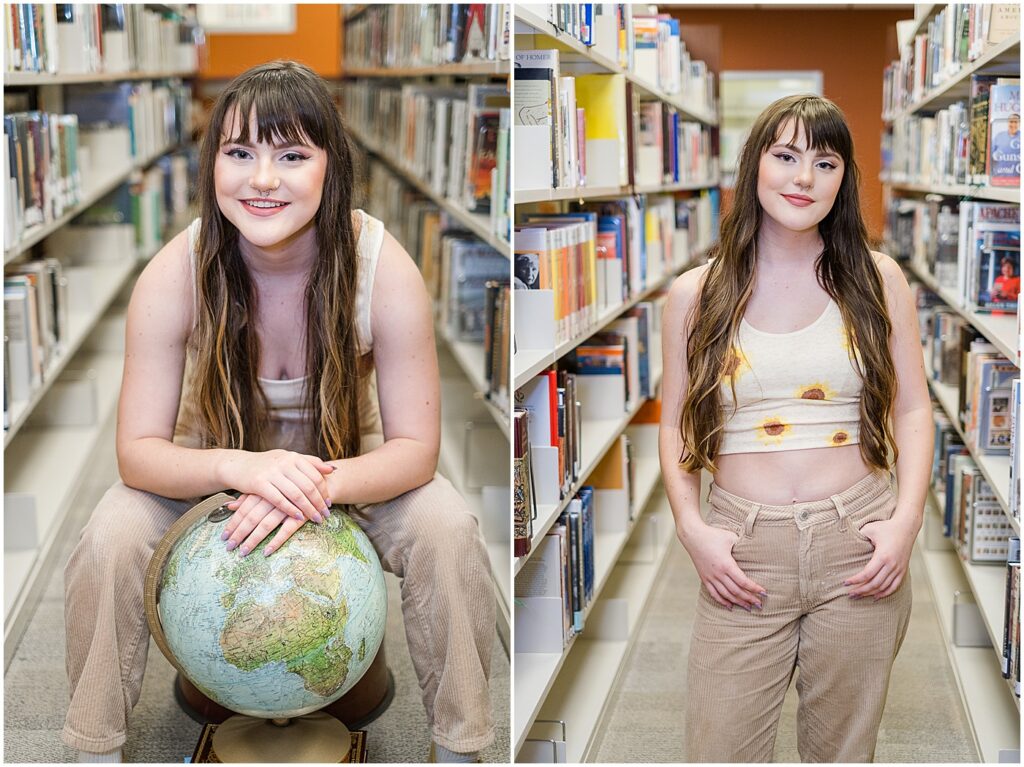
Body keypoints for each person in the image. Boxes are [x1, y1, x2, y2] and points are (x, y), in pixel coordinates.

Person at [62, 61, 495, 764]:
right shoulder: (178, 270)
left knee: (449, 525)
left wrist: (307, 485)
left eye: (292, 154)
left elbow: (415, 449)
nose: (263, 179)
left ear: (332, 166)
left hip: (350, 478)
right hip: (211, 477)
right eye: (240, 153)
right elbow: (137, 450)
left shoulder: (382, 266)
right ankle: (94, 747)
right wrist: (248, 469)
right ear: (212, 165)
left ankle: (461, 745)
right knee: (109, 532)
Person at [659, 94, 931, 762]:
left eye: (825, 160)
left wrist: (905, 523)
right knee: (720, 747)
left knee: (843, 750)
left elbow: (915, 410)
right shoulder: (696, 294)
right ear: (756, 166)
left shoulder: (877, 279)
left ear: (844, 178)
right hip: (743, 545)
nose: (803, 177)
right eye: (785, 156)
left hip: (857, 543)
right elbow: (672, 425)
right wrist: (692, 528)